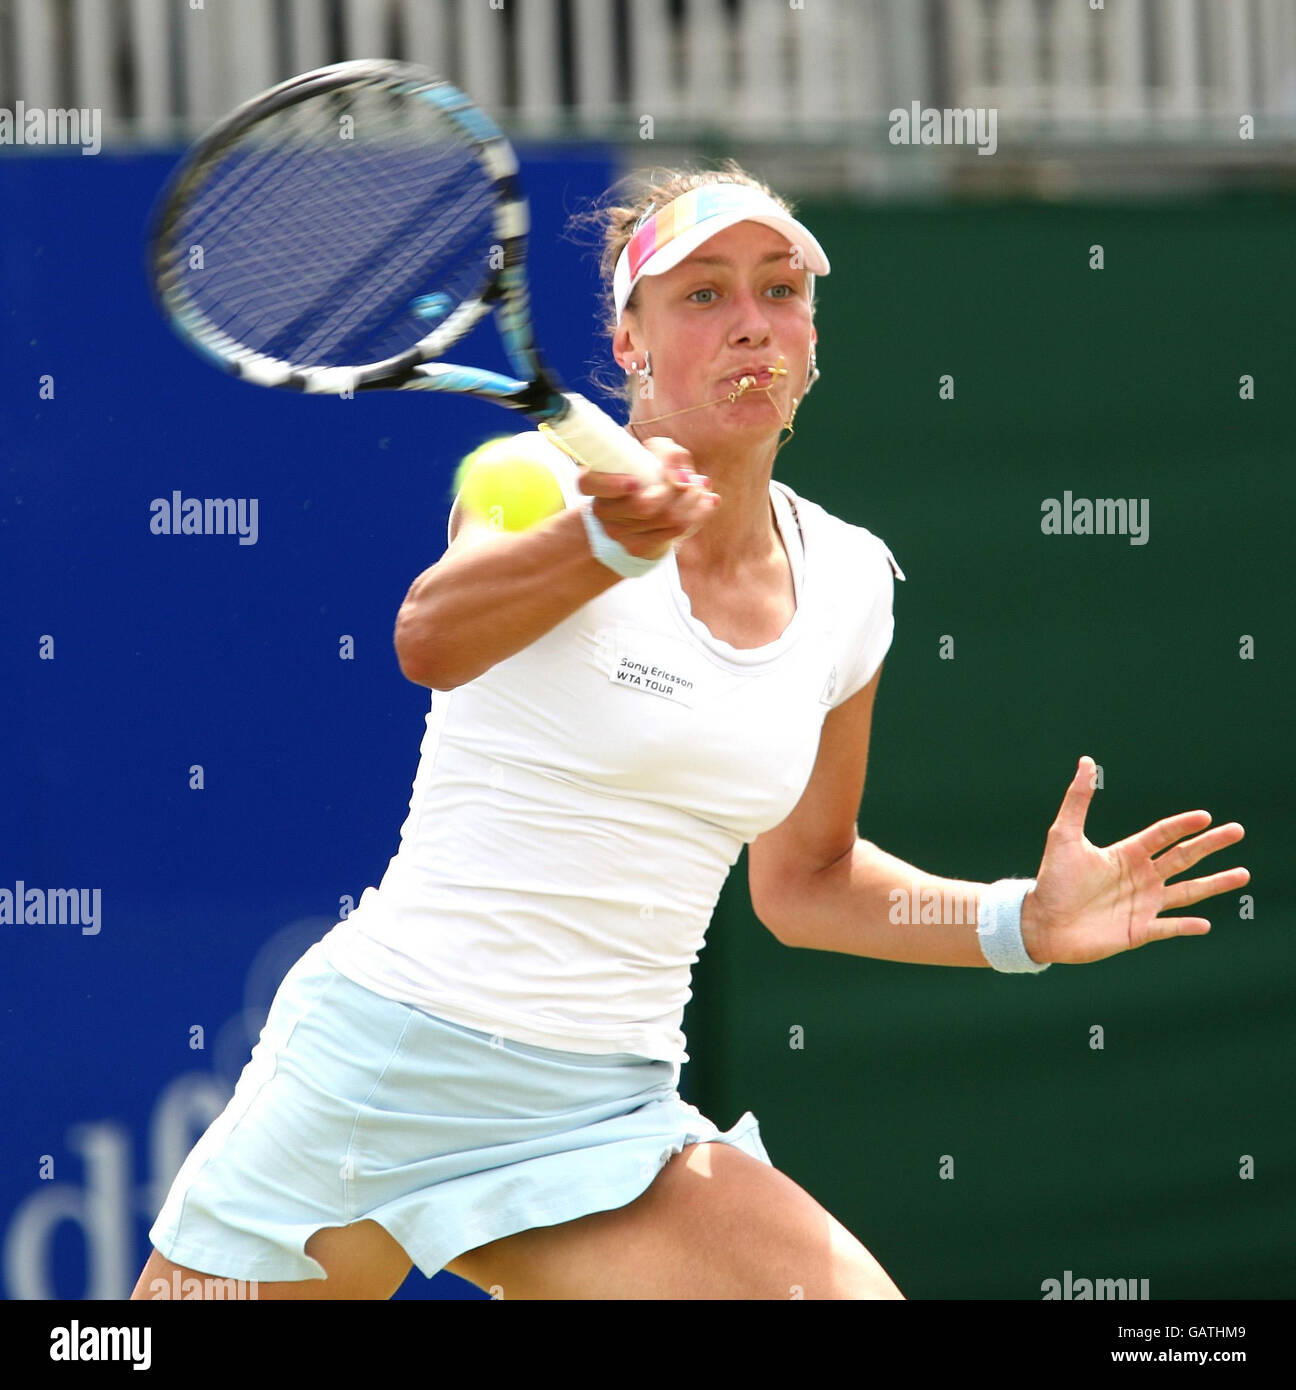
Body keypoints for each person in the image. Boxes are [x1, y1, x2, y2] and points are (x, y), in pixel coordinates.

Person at [131, 164, 1248, 1301]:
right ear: (631, 344)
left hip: (608, 1118)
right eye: (704, 296)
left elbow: (806, 879)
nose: (752, 324)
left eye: (781, 291)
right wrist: (606, 545)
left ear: (813, 336)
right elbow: (429, 638)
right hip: (385, 1070)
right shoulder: (535, 478)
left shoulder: (854, 582)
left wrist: (1023, 921)